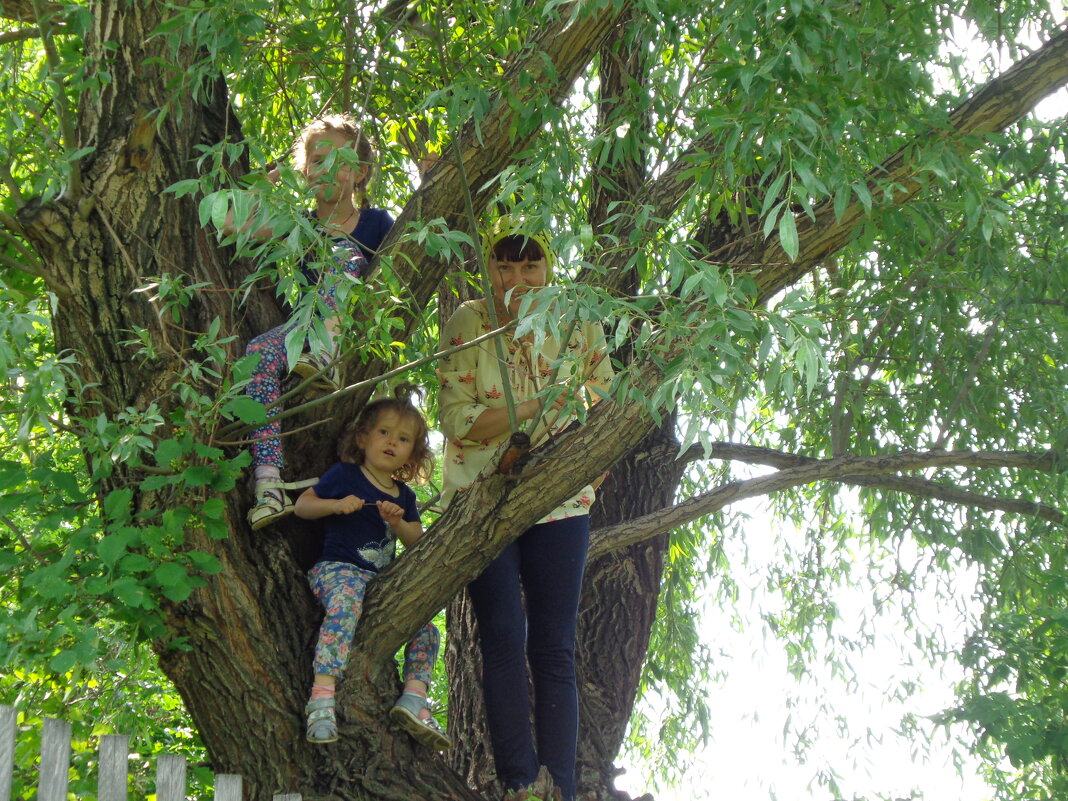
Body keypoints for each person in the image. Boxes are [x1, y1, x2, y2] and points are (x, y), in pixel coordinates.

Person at [436, 218, 614, 801]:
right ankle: (517, 778)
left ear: (548, 267)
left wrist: (590, 468)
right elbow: (460, 421)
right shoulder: (468, 322)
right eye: (504, 265)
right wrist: (535, 405)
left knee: (554, 643)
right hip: (481, 492)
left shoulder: (577, 319)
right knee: (502, 634)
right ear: (489, 268)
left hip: (562, 497)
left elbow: (607, 405)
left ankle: (558, 784)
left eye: (529, 265)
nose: (516, 278)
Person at [227, 115, 394, 530]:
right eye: (316, 161)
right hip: (302, 334)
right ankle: (268, 484)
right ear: (304, 171)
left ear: (360, 173)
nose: (326, 170)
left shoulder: (378, 224)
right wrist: (269, 179)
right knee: (257, 352)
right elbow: (229, 221)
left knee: (343, 261)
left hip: (353, 332)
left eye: (339, 160)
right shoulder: (299, 224)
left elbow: (397, 286)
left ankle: (326, 356)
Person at [293, 385, 450, 749]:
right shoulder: (345, 475)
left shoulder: (405, 496)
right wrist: (335, 506)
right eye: (384, 432)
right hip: (338, 571)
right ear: (363, 437)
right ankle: (322, 696)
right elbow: (303, 505)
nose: (391, 442)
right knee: (346, 603)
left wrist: (398, 523)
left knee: (425, 625)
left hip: (380, 582)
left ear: (412, 453)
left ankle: (413, 698)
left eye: (403, 438)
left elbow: (417, 542)